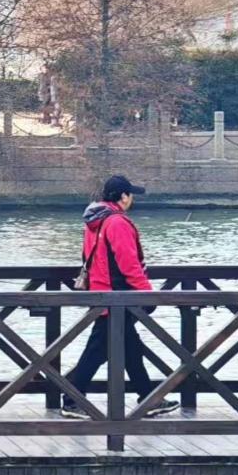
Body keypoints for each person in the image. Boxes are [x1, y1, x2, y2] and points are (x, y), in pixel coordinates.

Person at [60, 175, 180, 420]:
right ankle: (71, 400)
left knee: (130, 348)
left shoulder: (94, 221)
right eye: (130, 195)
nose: (132, 199)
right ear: (123, 197)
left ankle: (148, 398)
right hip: (118, 297)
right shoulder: (117, 223)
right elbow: (129, 264)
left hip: (103, 293)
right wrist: (147, 294)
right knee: (96, 351)